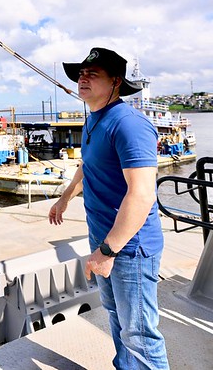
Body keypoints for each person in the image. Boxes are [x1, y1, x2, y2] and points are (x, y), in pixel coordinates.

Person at [48, 47, 168, 370]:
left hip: (129, 248)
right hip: (104, 241)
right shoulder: (94, 120)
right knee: (117, 320)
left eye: (93, 74)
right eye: (81, 74)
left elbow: (142, 196)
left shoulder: (129, 125)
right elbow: (88, 166)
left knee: (140, 335)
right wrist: (65, 197)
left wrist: (108, 250)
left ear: (116, 82)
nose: (82, 78)